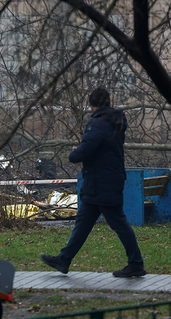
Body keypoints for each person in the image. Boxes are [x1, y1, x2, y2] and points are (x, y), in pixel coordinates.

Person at [40, 87, 146, 277]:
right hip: (103, 182)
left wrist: (75, 151)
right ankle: (64, 260)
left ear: (92, 105)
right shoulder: (114, 122)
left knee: (119, 223)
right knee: (83, 223)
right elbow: (100, 148)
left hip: (101, 183)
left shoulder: (98, 124)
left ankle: (136, 264)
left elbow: (82, 152)